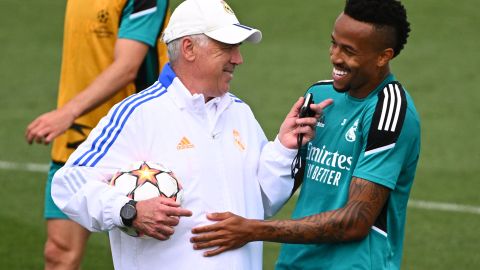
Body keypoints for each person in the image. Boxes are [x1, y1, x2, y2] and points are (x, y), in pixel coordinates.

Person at [51, 0, 331, 269]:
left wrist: (283, 148)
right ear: (189, 48)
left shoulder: (240, 113)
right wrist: (129, 211)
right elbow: (68, 183)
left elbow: (262, 200)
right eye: (228, 47)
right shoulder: (138, 114)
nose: (238, 59)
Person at [190, 0, 421, 269]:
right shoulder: (319, 96)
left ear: (383, 56)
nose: (335, 56)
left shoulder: (389, 111)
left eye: (349, 51)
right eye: (334, 43)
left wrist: (253, 230)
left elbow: (356, 220)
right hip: (294, 263)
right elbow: (274, 188)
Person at [25, 0, 170, 269]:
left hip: (130, 143)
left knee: (150, 254)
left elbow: (128, 66)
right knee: (58, 252)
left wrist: (68, 112)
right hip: (75, 138)